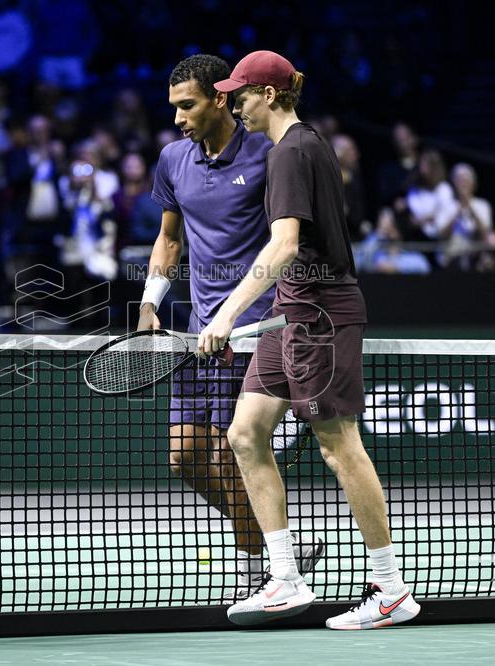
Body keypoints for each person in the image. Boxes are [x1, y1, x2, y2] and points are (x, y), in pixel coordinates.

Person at [202, 50, 419, 629]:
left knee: (338, 444)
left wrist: (225, 314)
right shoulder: (304, 144)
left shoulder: (291, 152)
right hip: (291, 312)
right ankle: (285, 580)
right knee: (245, 434)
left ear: (269, 95)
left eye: (241, 95)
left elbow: (285, 245)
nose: (234, 105)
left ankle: (392, 590)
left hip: (320, 316)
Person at [140, 54, 324, 602]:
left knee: (228, 454)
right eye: (173, 108)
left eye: (187, 106)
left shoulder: (269, 155)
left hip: (254, 331)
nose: (177, 118)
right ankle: (278, 544)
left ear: (220, 99)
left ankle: (264, 574)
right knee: (185, 458)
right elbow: (170, 238)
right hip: (200, 334)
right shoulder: (173, 159)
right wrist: (151, 300)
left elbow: (288, 239)